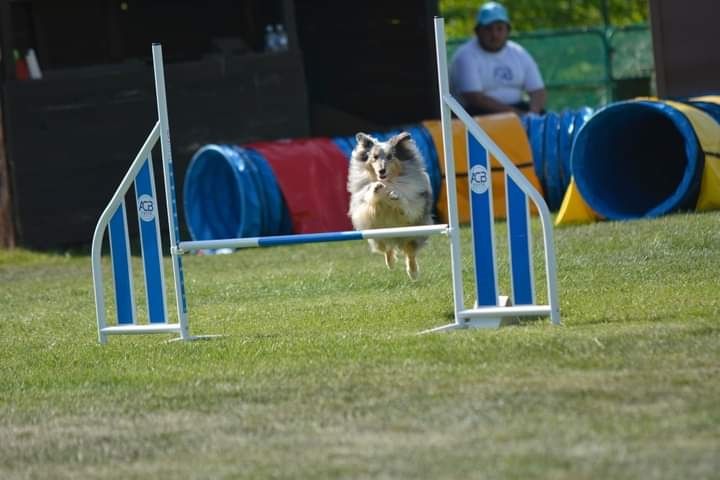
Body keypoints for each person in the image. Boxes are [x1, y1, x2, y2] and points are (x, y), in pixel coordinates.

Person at [449, 2, 546, 116]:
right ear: (477, 31)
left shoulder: (519, 52)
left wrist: (533, 114)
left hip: (518, 111)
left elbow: (538, 91)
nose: (494, 34)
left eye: (499, 28)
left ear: (507, 30)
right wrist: (517, 115)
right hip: (477, 116)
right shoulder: (465, 55)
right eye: (488, 29)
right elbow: (474, 98)